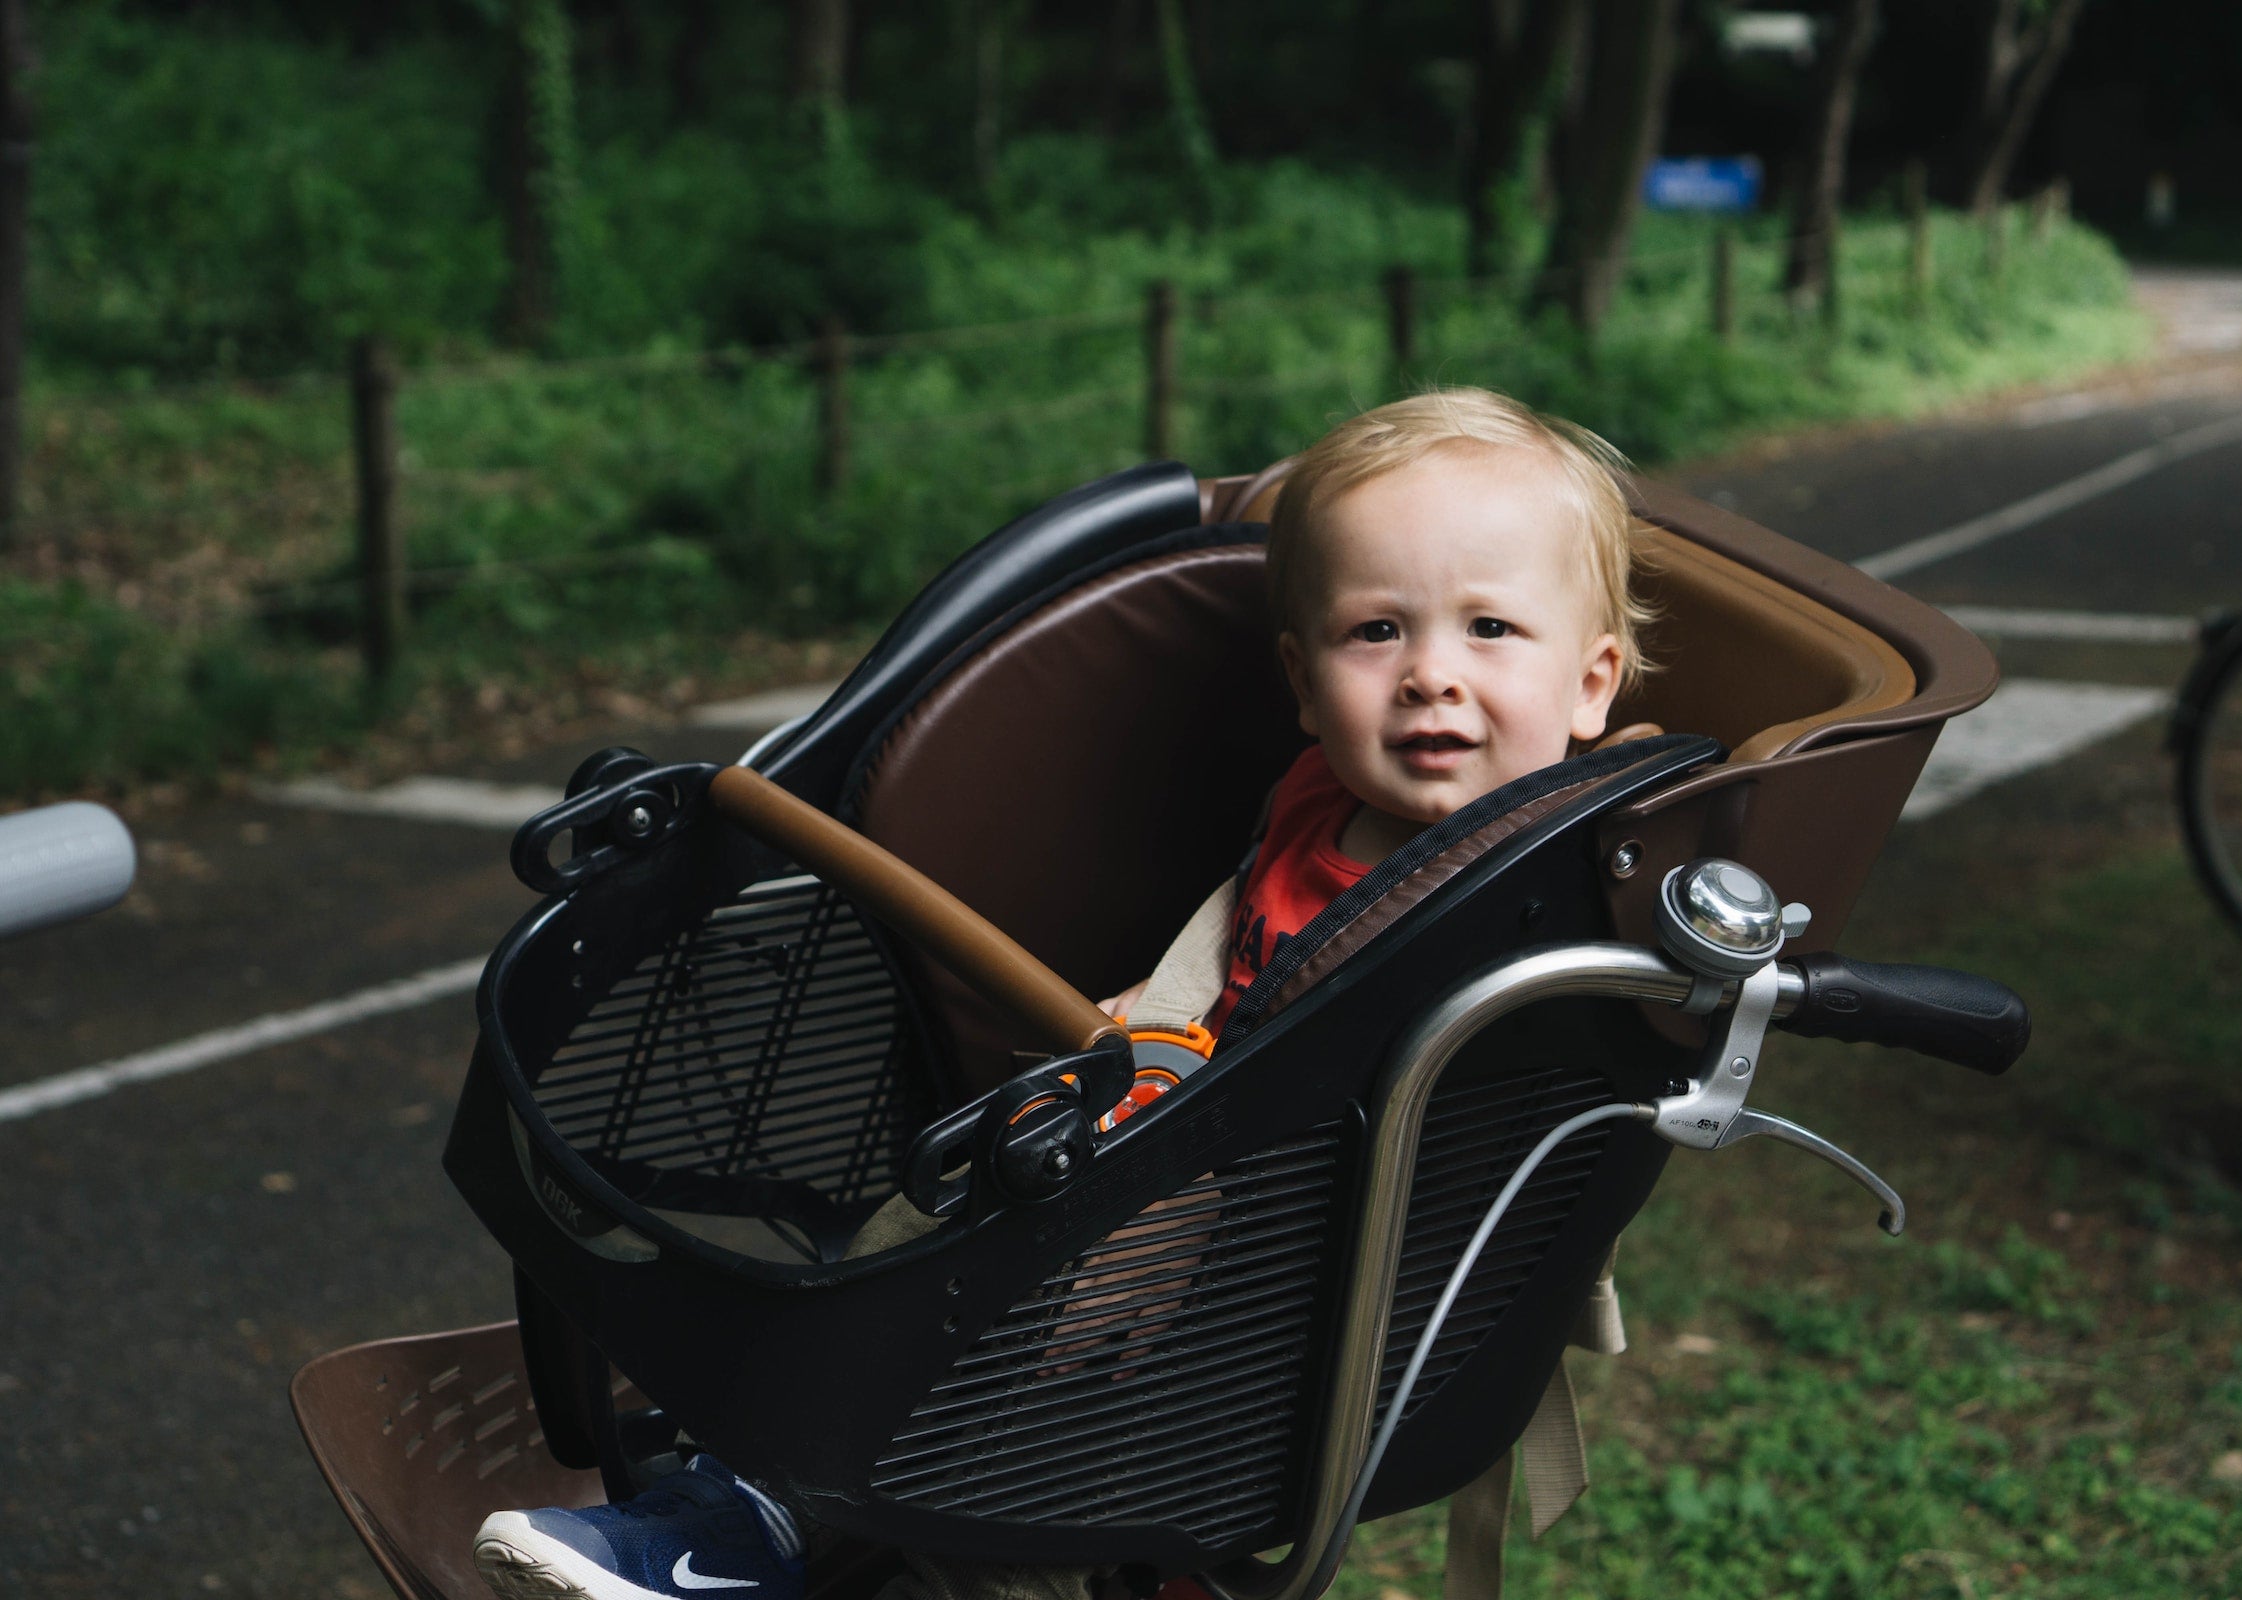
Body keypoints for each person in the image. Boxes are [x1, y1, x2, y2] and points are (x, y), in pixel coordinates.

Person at [470, 387, 1656, 1600]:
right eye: (1376, 632)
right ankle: (749, 1507)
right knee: (899, 1298)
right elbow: (1248, 937)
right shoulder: (1321, 794)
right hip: (1121, 1157)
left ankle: (732, 1530)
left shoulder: (1530, 888)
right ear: (1303, 683)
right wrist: (1157, 1012)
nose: (1429, 678)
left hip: (1256, 1275)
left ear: (1591, 683)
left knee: (950, 1406)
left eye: (1492, 630)